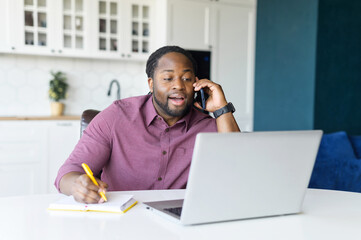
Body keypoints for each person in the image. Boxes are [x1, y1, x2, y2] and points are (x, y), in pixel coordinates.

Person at [55, 46, 240, 204]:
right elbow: (67, 174)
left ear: (196, 83)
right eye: (168, 78)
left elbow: (236, 172)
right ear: (151, 84)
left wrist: (222, 109)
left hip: (179, 222)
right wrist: (77, 185)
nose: (178, 86)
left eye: (186, 78)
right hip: (122, 219)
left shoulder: (208, 125)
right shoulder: (116, 116)